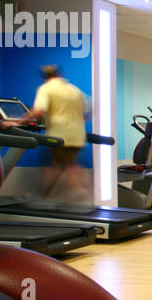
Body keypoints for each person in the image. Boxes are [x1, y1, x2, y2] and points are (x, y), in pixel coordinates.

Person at [5, 64, 91, 201]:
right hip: (77, 135)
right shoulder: (73, 89)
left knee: (52, 166)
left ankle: (54, 195)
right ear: (60, 75)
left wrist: (17, 122)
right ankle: (59, 194)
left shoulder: (46, 88)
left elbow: (39, 111)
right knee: (67, 164)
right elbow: (88, 109)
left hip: (59, 134)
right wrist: (77, 122)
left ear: (43, 77)